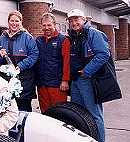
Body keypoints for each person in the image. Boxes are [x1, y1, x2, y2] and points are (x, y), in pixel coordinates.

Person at [67, 9, 110, 142]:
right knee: (78, 113)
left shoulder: (94, 34)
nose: (74, 23)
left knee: (95, 114)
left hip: (88, 80)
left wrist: (87, 71)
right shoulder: (73, 36)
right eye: (71, 20)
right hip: (76, 81)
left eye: (77, 19)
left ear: (84, 19)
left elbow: (104, 54)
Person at [0, 10, 39, 112]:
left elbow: (34, 54)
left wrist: (21, 65)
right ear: (8, 22)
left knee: (23, 109)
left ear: (21, 22)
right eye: (12, 21)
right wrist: (0, 55)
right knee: (7, 109)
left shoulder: (28, 37)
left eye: (17, 21)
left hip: (24, 81)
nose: (14, 23)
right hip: (6, 80)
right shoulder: (2, 38)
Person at [35, 13, 70, 113]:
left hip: (57, 85)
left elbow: (66, 62)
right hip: (42, 84)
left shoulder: (63, 40)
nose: (47, 28)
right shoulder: (38, 40)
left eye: (49, 25)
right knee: (45, 112)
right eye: (44, 25)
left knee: (59, 113)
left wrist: (65, 80)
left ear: (54, 24)